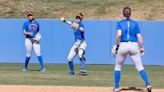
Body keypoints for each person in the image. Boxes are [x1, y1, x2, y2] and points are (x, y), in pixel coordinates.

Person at [112, 7, 151, 92]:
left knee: (118, 67)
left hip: (123, 45)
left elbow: (119, 35)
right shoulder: (135, 23)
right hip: (134, 45)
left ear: (123, 14)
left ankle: (116, 87)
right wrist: (142, 47)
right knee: (140, 67)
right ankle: (148, 84)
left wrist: (115, 45)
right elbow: (139, 37)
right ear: (130, 14)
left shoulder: (120, 23)